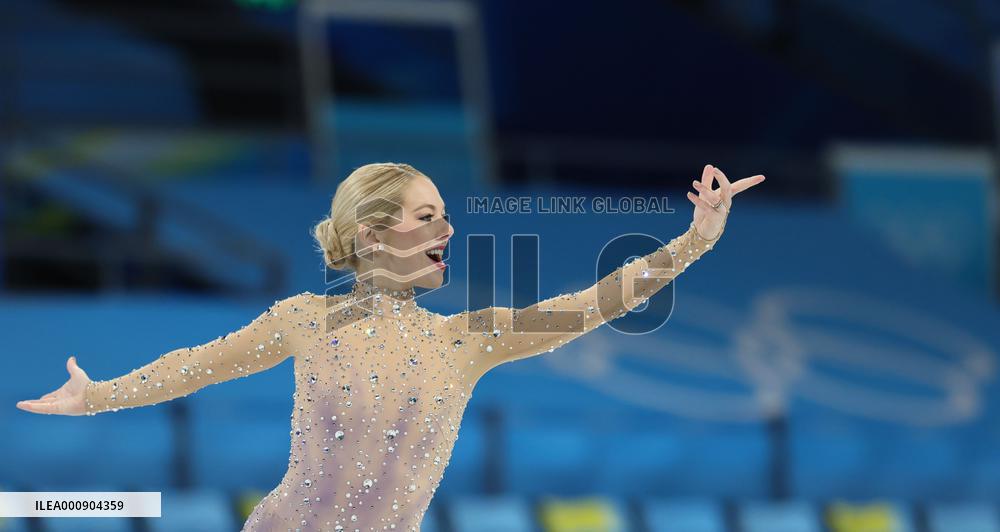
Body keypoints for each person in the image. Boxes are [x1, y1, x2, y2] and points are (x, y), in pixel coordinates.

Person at [16, 162, 764, 531]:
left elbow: (591, 305)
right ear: (373, 235)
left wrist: (691, 243)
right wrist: (98, 396)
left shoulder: (469, 339)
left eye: (446, 217)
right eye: (428, 216)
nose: (447, 230)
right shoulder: (308, 318)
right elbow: (198, 366)